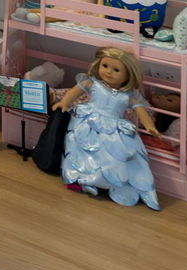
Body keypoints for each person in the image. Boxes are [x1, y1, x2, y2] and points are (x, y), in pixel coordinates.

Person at [52, 46, 162, 209]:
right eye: (105, 66)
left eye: (116, 69)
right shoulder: (92, 83)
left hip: (114, 125)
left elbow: (141, 111)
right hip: (89, 121)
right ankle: (81, 179)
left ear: (127, 75)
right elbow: (74, 92)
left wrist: (150, 126)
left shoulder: (128, 95)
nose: (108, 72)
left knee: (115, 154)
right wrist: (64, 103)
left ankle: (110, 182)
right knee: (81, 151)